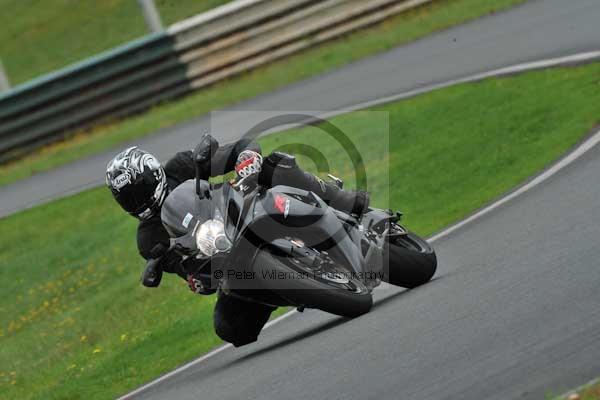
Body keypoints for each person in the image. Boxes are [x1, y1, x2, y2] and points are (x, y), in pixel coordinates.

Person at [105, 134, 369, 346]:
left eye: (139, 190)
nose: (137, 201)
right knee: (229, 327)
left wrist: (246, 158)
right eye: (128, 198)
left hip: (246, 205)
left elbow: (238, 148)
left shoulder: (180, 166)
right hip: (226, 257)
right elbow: (185, 267)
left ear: (153, 174)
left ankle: (337, 199)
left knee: (275, 164)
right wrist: (197, 279)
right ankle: (289, 288)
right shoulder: (148, 238)